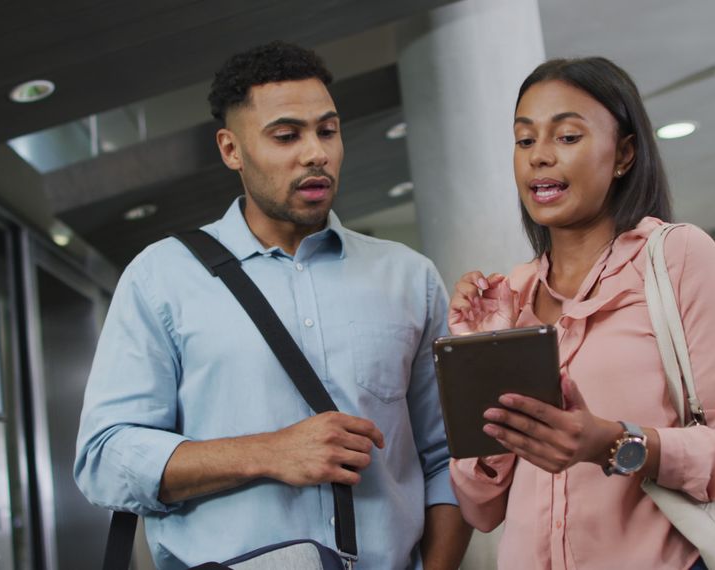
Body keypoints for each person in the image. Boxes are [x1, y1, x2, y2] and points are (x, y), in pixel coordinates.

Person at [74, 41, 471, 570]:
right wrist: (268, 452)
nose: (316, 153)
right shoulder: (161, 277)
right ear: (231, 149)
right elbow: (104, 459)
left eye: (327, 130)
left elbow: (449, 457)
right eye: (287, 135)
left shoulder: (409, 277)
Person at [446, 57, 715, 569]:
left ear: (623, 153)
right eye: (525, 140)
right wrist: (478, 362)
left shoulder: (676, 258)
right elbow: (481, 509)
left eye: (568, 137)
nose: (540, 158)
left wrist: (615, 442)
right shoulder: (510, 296)